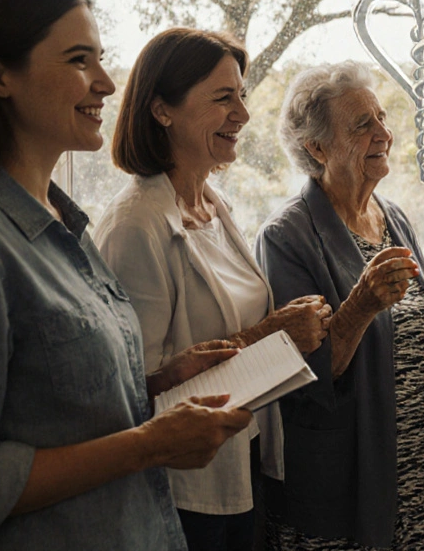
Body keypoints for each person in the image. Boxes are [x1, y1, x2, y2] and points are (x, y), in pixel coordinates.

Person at [0, 0, 254, 550]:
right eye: (80, 60)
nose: (105, 83)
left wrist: (157, 384)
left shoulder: (62, 224)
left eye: (101, 60)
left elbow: (56, 406)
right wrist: (150, 443)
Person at [94, 27, 333, 551]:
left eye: (242, 95)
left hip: (241, 457)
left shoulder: (213, 205)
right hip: (181, 489)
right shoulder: (135, 227)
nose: (243, 114)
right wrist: (271, 333)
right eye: (224, 97)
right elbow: (136, 389)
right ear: (162, 111)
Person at [253, 61, 424, 550]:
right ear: (317, 147)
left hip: (416, 477)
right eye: (362, 125)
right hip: (345, 488)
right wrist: (362, 304)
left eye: (382, 118)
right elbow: (299, 374)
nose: (383, 133)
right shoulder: (287, 236)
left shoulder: (393, 217)